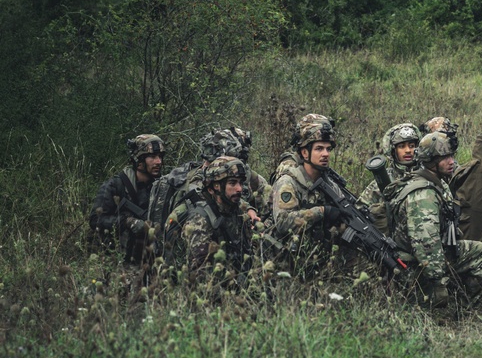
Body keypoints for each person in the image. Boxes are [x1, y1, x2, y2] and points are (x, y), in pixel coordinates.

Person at [385, 131, 482, 309]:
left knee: (481, 250)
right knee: (481, 254)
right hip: (413, 264)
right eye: (445, 158)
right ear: (432, 162)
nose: (451, 162)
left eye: (451, 156)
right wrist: (439, 282)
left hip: (426, 255)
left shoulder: (434, 182)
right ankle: (466, 308)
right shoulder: (424, 194)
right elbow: (426, 243)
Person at [270, 115, 349, 276]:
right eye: (319, 149)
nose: (325, 154)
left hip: (318, 262)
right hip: (285, 265)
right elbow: (283, 223)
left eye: (328, 149)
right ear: (305, 153)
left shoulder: (329, 183)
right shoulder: (288, 182)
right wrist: (322, 211)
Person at [163, 155, 255, 293]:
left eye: (241, 183)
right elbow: (201, 277)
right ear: (215, 187)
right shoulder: (200, 220)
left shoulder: (233, 208)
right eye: (232, 183)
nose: (239, 189)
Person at [89, 134, 165, 265]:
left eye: (160, 156)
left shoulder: (161, 187)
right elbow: (95, 220)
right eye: (152, 157)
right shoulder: (115, 186)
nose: (158, 161)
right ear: (139, 161)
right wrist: (128, 222)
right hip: (118, 261)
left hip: (150, 261)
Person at [359, 122, 421, 232]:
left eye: (411, 146)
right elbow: (360, 210)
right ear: (393, 150)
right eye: (402, 146)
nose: (408, 150)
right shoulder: (383, 180)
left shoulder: (426, 175)